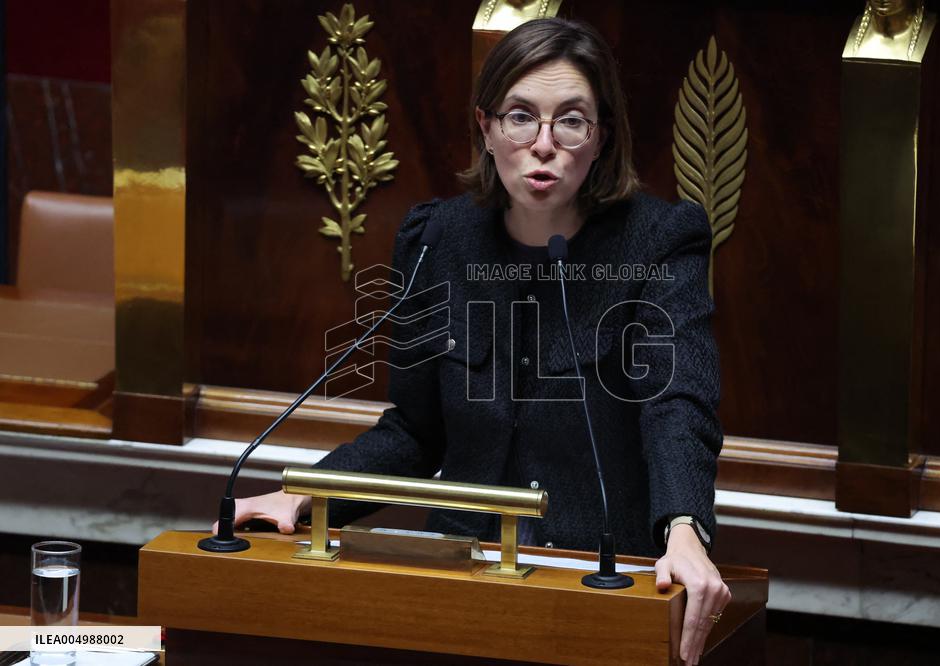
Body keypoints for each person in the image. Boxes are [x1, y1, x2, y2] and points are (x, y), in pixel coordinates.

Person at [217, 17, 730, 665]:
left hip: (600, 576)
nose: (544, 145)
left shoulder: (657, 241)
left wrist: (683, 527)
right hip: (459, 579)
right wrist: (309, 494)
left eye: (571, 121)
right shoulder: (438, 239)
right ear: (486, 128)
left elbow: (676, 405)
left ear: (601, 139)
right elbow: (415, 429)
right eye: (520, 117)